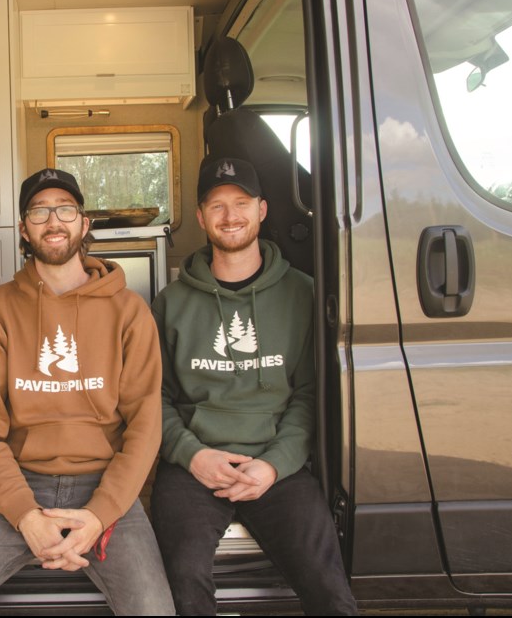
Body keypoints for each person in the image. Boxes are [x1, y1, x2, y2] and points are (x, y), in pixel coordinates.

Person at [0, 168, 175, 616]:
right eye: (39, 211)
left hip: (105, 483)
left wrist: (99, 515)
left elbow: (146, 426)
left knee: (155, 611)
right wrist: (26, 517)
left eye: (65, 209)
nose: (53, 220)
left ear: (84, 223)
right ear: (23, 228)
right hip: (19, 483)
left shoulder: (130, 311)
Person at [150, 157, 358, 616]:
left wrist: (275, 465)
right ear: (201, 217)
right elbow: (153, 401)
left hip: (275, 464)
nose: (230, 216)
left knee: (329, 586)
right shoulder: (171, 304)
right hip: (194, 466)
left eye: (241, 203)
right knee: (182, 583)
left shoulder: (302, 294)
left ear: (262, 210)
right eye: (217, 206)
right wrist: (193, 455)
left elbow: (309, 396)